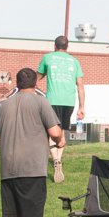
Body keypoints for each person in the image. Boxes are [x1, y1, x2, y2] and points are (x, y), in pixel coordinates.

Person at [0, 68, 65, 217]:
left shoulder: (5, 105)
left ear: (17, 83)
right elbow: (55, 131)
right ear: (35, 83)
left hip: (8, 168)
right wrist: (60, 140)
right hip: (32, 168)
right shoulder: (41, 102)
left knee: (9, 216)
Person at [37, 35, 85, 183]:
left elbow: (36, 78)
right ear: (67, 47)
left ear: (54, 46)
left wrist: (40, 92)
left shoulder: (48, 58)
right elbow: (80, 86)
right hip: (69, 101)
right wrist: (82, 107)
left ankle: (55, 159)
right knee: (62, 130)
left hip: (52, 100)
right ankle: (59, 159)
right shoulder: (75, 61)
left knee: (51, 131)